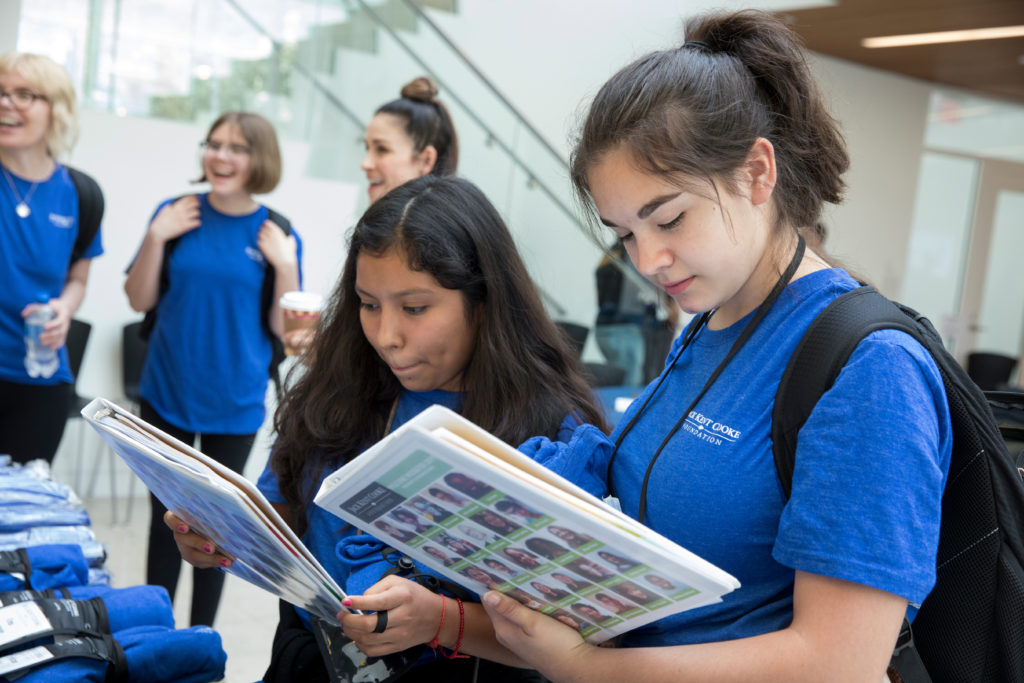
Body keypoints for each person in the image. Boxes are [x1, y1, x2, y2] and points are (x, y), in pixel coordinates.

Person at [481, 10, 951, 683]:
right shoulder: (712, 318)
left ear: (758, 173)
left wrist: (591, 670)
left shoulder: (870, 369)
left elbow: (838, 662)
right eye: (625, 235)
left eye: (669, 217)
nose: (649, 259)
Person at [167, 175, 606, 682]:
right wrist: (223, 532)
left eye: (415, 308)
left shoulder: (552, 430)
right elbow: (287, 511)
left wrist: (444, 621)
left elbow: (573, 642)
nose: (385, 336)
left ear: (483, 303)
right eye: (368, 304)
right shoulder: (339, 388)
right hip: (311, 658)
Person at [124, 110, 301, 628]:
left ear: (259, 159)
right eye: (214, 144)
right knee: (166, 522)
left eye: (238, 148)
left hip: (235, 402)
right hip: (166, 390)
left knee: (216, 530)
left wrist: (285, 264)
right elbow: (138, 299)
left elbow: (286, 331)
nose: (221, 156)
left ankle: (201, 636)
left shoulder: (277, 232)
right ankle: (157, 635)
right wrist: (157, 237)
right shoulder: (174, 214)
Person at [284, 76, 459, 355]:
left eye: (382, 149)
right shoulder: (377, 232)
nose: (365, 163)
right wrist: (327, 353)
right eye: (371, 304)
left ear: (426, 159)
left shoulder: (451, 243)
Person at [0, 52, 103, 464]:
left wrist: (64, 307)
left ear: (56, 111)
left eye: (25, 94)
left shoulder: (81, 193)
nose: (7, 103)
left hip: (39, 379)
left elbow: (77, 279)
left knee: (21, 515)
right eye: (1, 93)